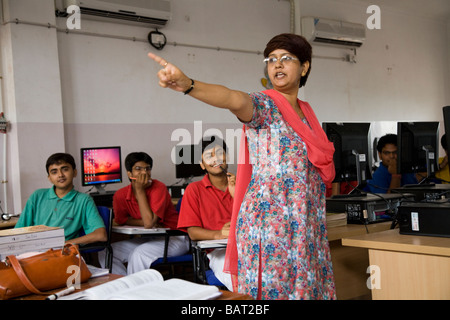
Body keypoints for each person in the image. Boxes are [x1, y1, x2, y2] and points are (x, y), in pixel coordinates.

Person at [149, 33, 336, 300]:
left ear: (304, 66)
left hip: (307, 225)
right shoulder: (266, 105)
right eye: (271, 60)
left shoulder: (308, 113)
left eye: (286, 59)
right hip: (272, 229)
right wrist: (189, 84)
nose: (277, 65)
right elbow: (232, 99)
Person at [99, 152, 188, 275]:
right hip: (151, 238)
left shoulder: (159, 188)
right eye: (138, 169)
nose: (144, 172)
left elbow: (149, 223)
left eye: (147, 168)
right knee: (106, 251)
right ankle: (124, 285)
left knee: (139, 253)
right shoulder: (120, 194)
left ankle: (135, 290)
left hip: (175, 238)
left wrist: (140, 190)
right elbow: (120, 221)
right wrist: (143, 222)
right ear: (129, 173)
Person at [177, 136, 235, 291]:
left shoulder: (244, 183)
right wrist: (219, 234)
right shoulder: (194, 189)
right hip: (219, 251)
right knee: (236, 275)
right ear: (202, 164)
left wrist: (238, 194)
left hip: (248, 246)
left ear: (227, 157)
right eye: (209, 156)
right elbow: (193, 233)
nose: (215, 159)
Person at [15, 153, 107, 245]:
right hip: (34, 251)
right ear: (49, 178)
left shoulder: (84, 200)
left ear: (75, 172)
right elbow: (18, 231)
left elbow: (100, 235)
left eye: (65, 169)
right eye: (54, 172)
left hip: (62, 253)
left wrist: (66, 244)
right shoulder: (37, 196)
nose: (60, 175)